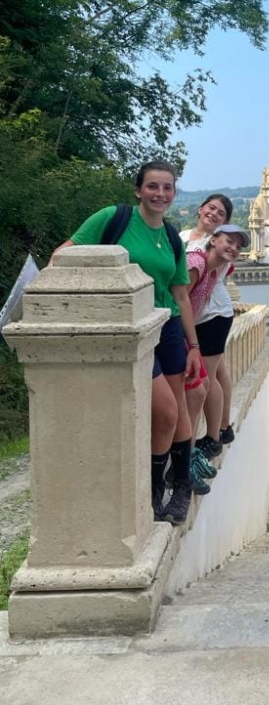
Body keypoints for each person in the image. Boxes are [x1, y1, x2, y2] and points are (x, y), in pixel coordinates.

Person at [53, 160, 201, 526]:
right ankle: (152, 491)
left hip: (165, 327)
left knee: (178, 407)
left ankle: (180, 485)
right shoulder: (113, 218)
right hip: (129, 328)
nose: (160, 194)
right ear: (138, 190)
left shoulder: (169, 236)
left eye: (167, 188)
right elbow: (62, 256)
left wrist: (194, 347)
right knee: (165, 412)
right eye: (153, 186)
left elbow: (180, 295)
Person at [184, 224, 249, 492]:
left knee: (201, 387)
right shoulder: (198, 263)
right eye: (229, 242)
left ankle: (199, 447)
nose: (233, 248)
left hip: (206, 327)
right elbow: (179, 299)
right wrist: (192, 344)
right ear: (212, 240)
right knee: (199, 387)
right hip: (187, 332)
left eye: (238, 245)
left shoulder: (214, 270)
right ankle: (192, 452)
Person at [179, 195, 238, 456]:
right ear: (200, 209)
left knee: (208, 376)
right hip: (199, 313)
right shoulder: (184, 238)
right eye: (211, 208)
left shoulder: (214, 248)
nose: (213, 214)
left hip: (212, 314)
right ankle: (222, 428)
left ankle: (214, 435)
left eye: (221, 213)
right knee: (216, 370)